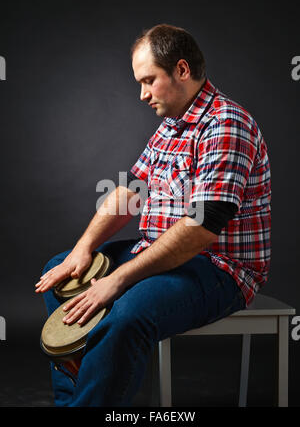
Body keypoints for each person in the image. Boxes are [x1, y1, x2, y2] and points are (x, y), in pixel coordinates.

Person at [35, 24, 271, 407]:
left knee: (128, 313)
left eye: (148, 81)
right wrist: (83, 249)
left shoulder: (226, 125)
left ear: (181, 70)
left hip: (217, 268)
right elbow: (128, 192)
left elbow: (199, 229)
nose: (142, 94)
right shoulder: (170, 126)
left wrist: (119, 279)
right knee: (62, 270)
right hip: (158, 253)